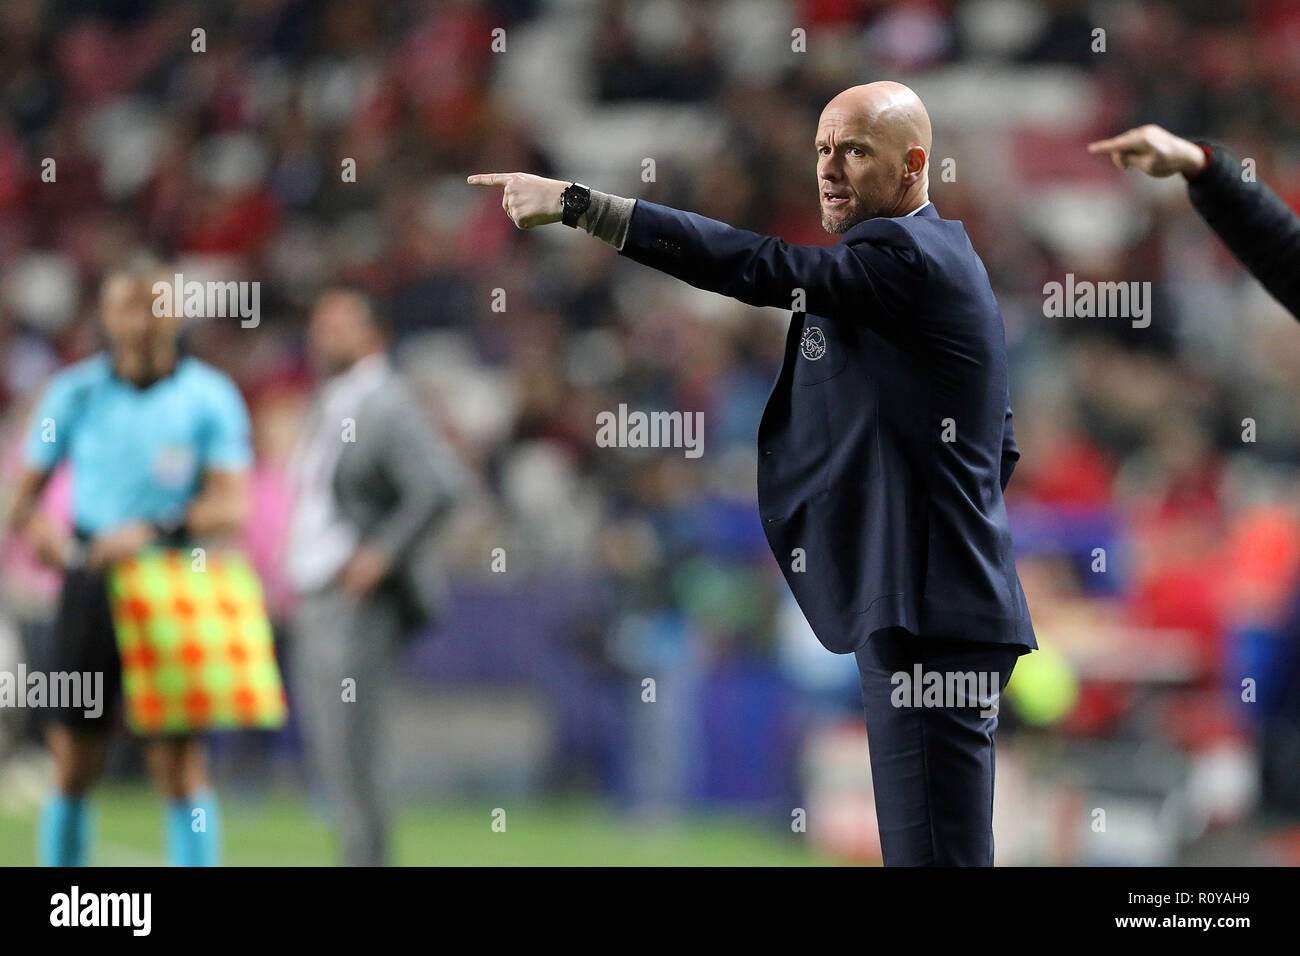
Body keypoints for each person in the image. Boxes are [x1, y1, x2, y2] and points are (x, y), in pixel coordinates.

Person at [469, 81, 1037, 866]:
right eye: (821, 151)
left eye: (854, 151)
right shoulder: (945, 258)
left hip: (928, 614)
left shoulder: (904, 257)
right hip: (940, 603)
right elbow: (997, 445)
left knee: (933, 854)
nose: (829, 170)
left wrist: (581, 206)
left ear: (913, 166)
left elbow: (758, 267)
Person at [5, 258, 253, 866]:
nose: (143, 321)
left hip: (172, 587)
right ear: (107, 316)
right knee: (73, 760)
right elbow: (22, 500)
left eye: (155, 305)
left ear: (176, 313)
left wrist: (153, 529)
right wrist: (44, 535)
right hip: (88, 583)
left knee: (177, 762)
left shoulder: (208, 396)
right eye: (128, 306)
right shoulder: (74, 392)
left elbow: (231, 505)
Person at [286, 287, 465, 866]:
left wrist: (382, 554)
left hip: (355, 601)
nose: (323, 337)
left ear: (374, 334)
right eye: (319, 325)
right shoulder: (335, 400)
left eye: (339, 326)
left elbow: (441, 485)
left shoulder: (385, 401)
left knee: (352, 751)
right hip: (319, 593)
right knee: (334, 754)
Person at [1087, 124, 1300, 317]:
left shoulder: (1287, 191)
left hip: (1235, 286)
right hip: (1213, 279)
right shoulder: (1254, 189)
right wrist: (1196, 163)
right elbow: (1284, 253)